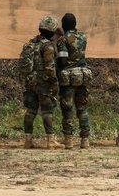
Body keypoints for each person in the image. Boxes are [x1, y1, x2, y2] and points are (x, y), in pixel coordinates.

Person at [19, 15, 63, 149]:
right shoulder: (47, 46)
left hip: (30, 81)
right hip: (43, 82)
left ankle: (28, 140)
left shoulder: (32, 43)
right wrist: (54, 82)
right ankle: (50, 140)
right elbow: (49, 67)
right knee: (47, 110)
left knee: (30, 110)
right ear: (51, 31)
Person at [57, 12, 92, 149]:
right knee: (82, 109)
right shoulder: (83, 37)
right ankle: (85, 140)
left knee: (68, 109)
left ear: (64, 25)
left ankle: (69, 140)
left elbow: (63, 59)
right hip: (82, 77)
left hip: (69, 78)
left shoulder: (62, 40)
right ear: (75, 24)